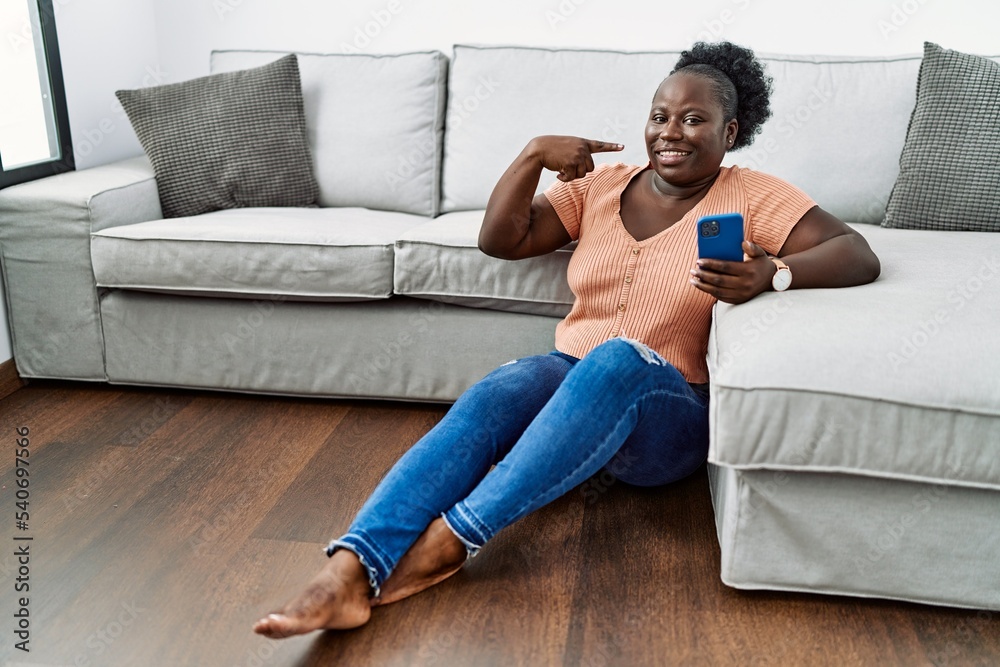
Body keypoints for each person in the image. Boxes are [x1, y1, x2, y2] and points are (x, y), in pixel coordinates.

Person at [253, 41, 880, 638]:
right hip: (567, 384)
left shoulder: (752, 194)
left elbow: (856, 252)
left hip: (669, 413)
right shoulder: (601, 189)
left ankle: (451, 542)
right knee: (504, 387)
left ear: (730, 132)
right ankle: (349, 569)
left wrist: (773, 272)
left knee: (613, 359)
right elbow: (503, 239)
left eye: (694, 119)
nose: (671, 132)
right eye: (660, 115)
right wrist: (530, 155)